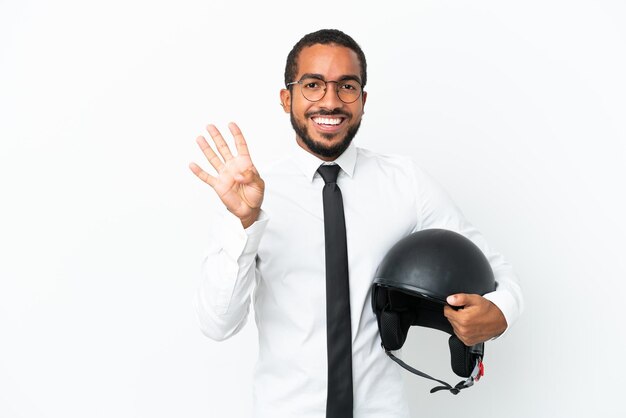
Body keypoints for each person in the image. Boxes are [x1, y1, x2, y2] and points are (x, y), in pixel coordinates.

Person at [189, 29, 523, 418]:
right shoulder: (249, 192)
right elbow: (217, 324)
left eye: (346, 86)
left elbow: (498, 273)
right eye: (313, 85)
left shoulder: (405, 183)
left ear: (363, 100)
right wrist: (243, 222)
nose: (330, 101)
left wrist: (499, 313)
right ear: (287, 98)